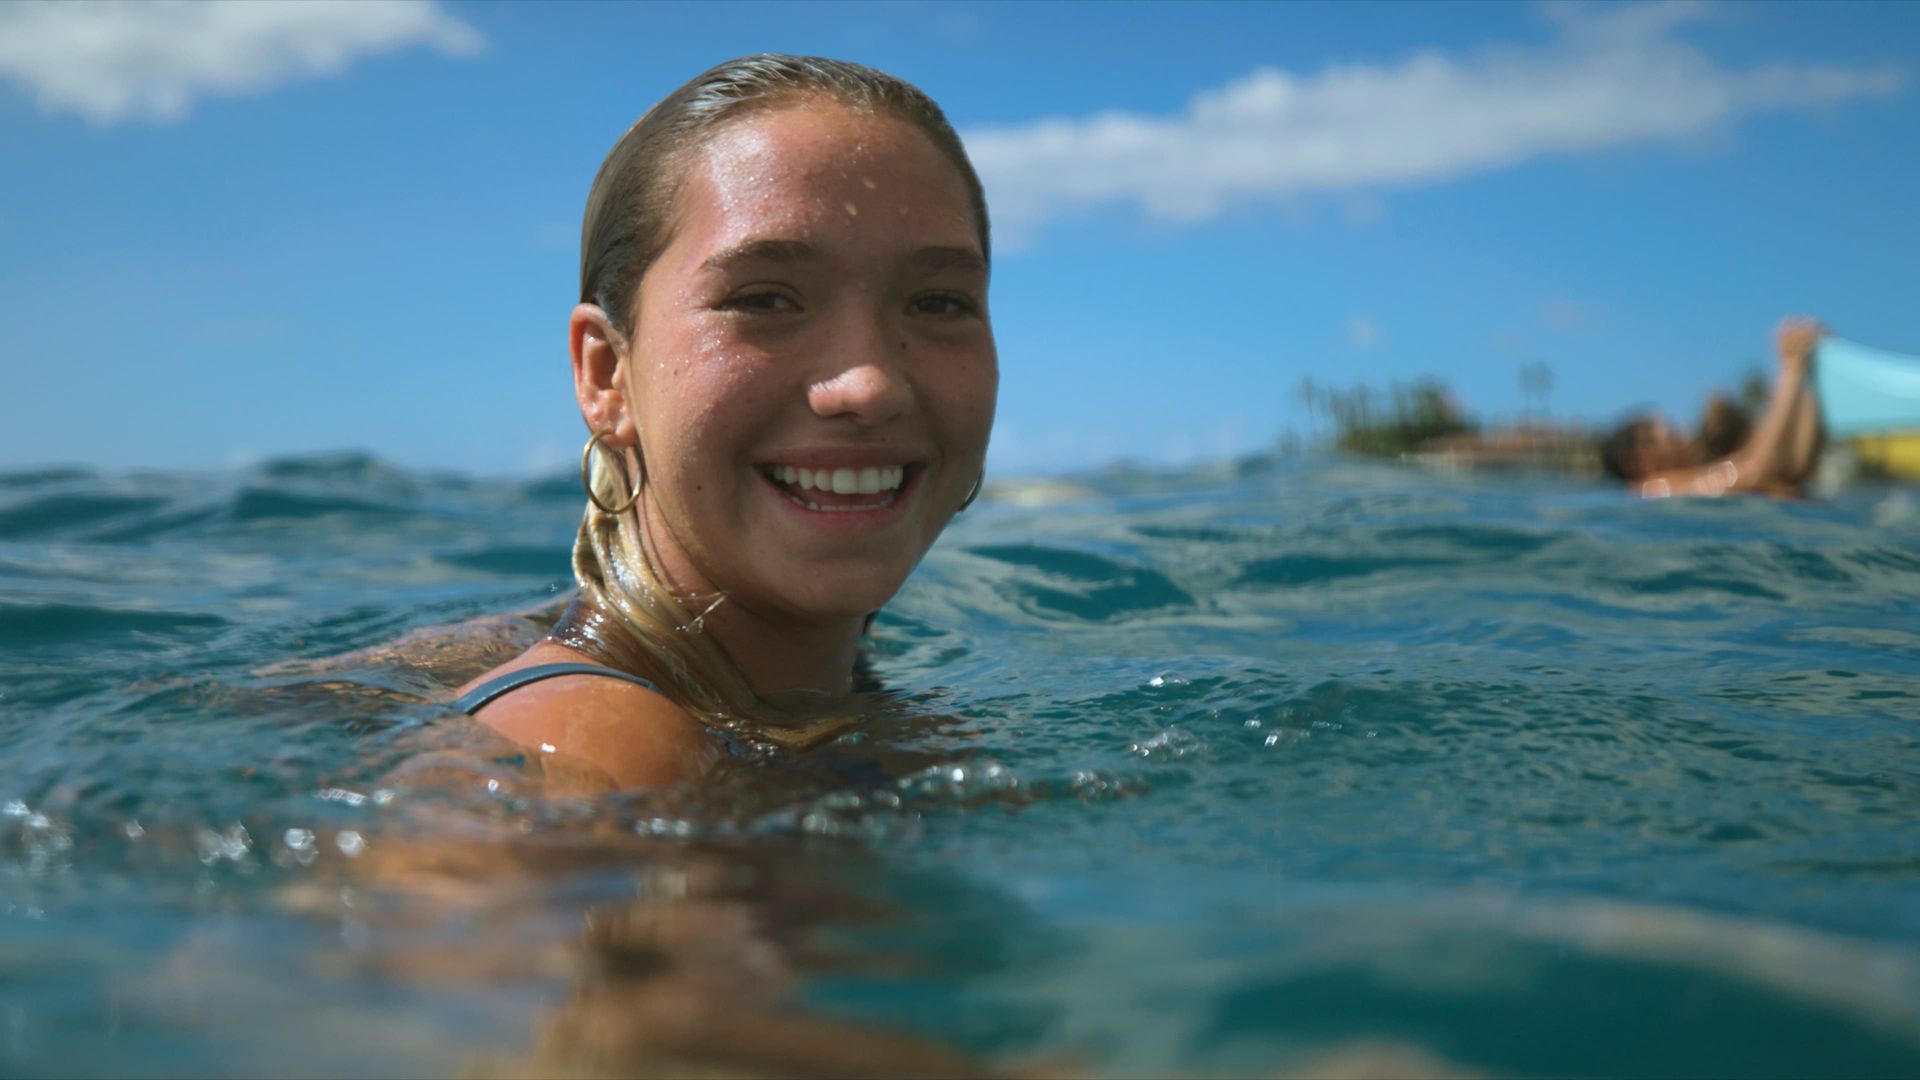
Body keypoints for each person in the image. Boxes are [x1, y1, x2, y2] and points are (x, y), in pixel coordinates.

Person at [451, 56, 997, 788]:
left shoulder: (784, 707)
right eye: (766, 300)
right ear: (607, 375)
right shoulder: (596, 754)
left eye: (938, 303)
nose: (870, 385)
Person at [1598, 318, 1825, 498]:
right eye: (1654, 429)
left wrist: (1811, 377)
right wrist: (1791, 366)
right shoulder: (1653, 489)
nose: (1668, 423)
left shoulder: (1691, 478)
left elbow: (1795, 468)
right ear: (1640, 459)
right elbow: (1759, 471)